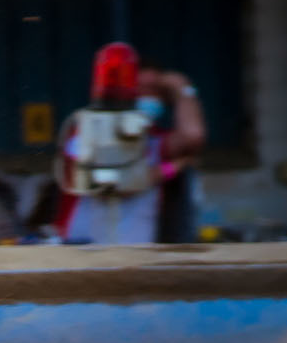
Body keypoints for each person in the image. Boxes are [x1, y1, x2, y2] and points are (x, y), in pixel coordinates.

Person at [54, 42, 206, 246]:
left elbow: (193, 136)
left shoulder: (155, 140)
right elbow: (114, 185)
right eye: (142, 89)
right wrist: (172, 167)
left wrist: (182, 88)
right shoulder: (88, 129)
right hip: (82, 248)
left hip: (136, 253)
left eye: (155, 91)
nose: (148, 97)